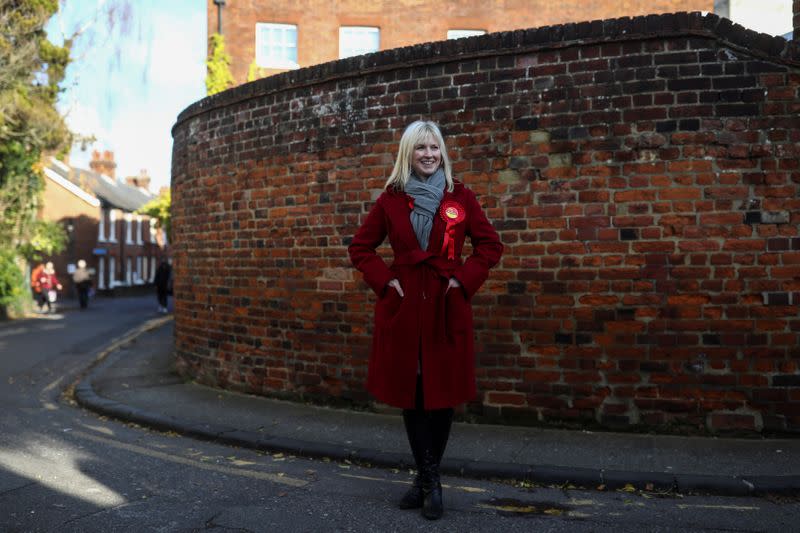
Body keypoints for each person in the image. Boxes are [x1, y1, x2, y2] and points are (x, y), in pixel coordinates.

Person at [348, 120, 503, 520]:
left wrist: (462, 280)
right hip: (403, 313)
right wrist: (387, 283)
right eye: (420, 149)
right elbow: (361, 248)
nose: (429, 155)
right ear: (408, 154)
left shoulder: (461, 197)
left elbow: (489, 245)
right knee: (413, 394)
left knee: (443, 395)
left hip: (445, 309)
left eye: (434, 148)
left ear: (442, 152)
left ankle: (424, 480)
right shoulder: (390, 200)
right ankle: (431, 480)